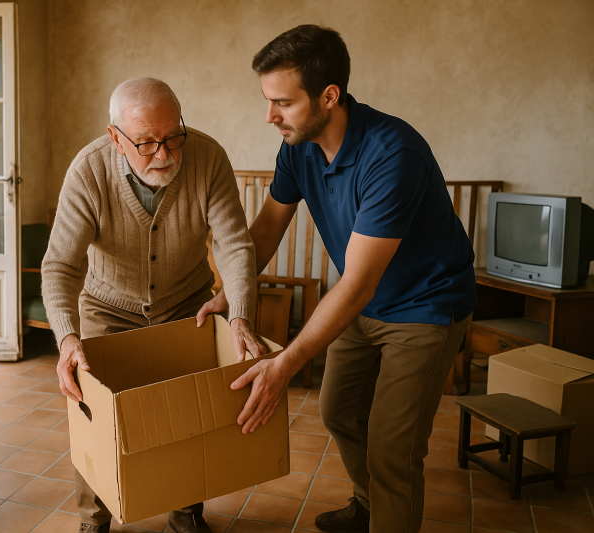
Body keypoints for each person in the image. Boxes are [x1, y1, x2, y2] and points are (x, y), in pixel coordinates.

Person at [196, 25, 476, 533]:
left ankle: (387, 509)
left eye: (282, 102)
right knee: (339, 410)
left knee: (394, 447)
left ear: (329, 96)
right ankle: (369, 506)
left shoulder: (394, 155)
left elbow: (359, 284)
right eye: (267, 100)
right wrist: (229, 295)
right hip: (362, 304)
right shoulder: (297, 148)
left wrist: (284, 363)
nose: (269, 116)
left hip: (425, 308)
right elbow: (264, 232)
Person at [41, 77, 266, 533]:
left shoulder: (208, 158)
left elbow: (235, 248)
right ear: (115, 138)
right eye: (146, 143)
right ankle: (93, 519)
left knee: (189, 414)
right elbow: (60, 267)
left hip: (188, 303)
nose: (164, 154)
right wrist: (67, 340)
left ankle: (185, 515)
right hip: (107, 307)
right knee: (96, 415)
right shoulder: (88, 171)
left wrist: (239, 316)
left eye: (173, 137)